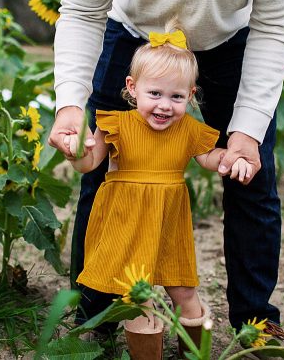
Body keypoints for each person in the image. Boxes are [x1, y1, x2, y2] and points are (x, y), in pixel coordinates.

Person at [47, 0, 284, 348]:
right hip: (133, 34)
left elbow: (275, 27)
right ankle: (98, 312)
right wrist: (70, 103)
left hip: (232, 38)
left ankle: (256, 322)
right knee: (103, 173)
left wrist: (246, 132)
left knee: (252, 175)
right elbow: (83, 10)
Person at [63, 26, 252, 358]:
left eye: (177, 97)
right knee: (140, 298)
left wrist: (231, 159)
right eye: (155, 94)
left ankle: (195, 352)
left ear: (190, 95)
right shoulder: (115, 124)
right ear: (133, 89)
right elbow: (90, 163)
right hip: (127, 222)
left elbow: (210, 157)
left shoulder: (188, 129)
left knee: (184, 290)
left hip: (168, 224)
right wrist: (77, 153)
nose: (165, 106)